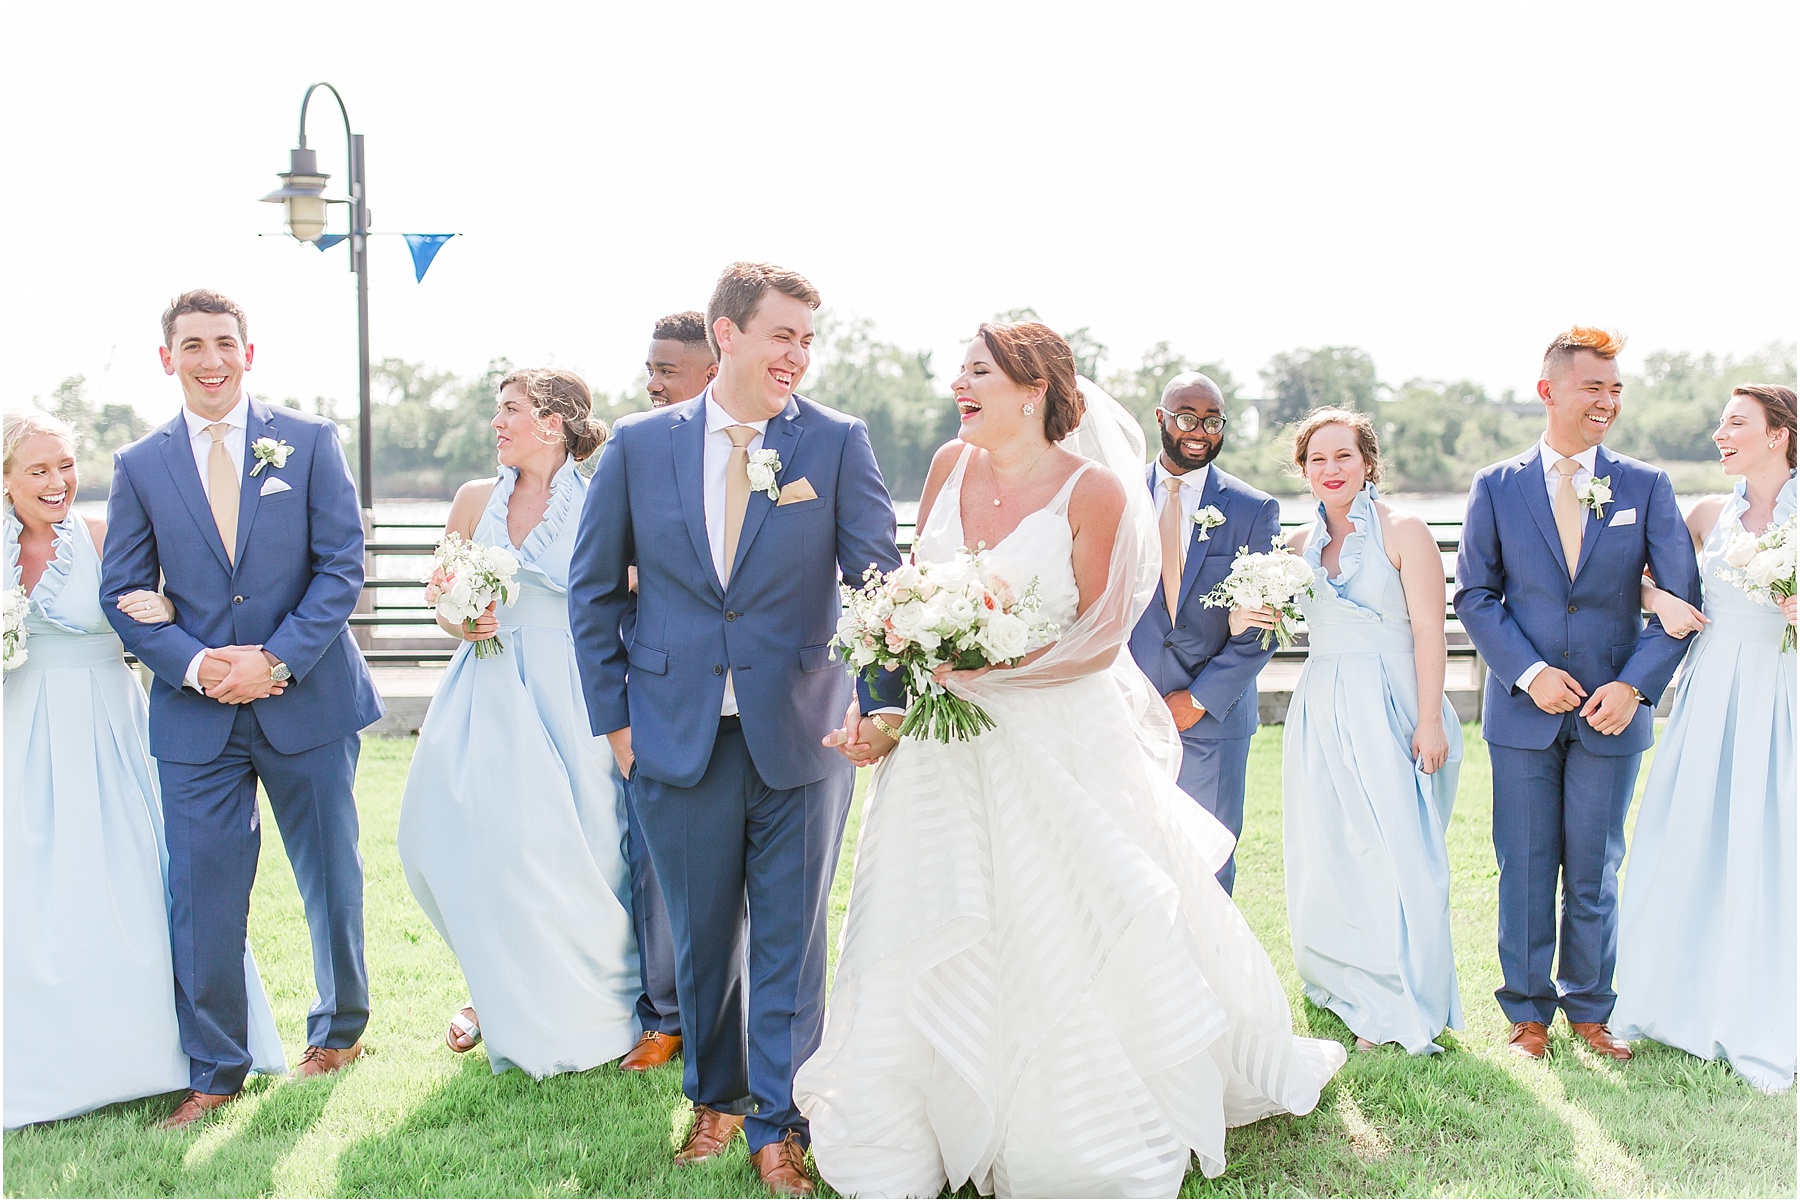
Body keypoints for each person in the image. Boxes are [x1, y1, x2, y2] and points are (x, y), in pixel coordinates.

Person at [794, 322, 1346, 1199]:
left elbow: (1096, 639)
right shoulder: (945, 466)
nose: (958, 386)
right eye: (960, 372)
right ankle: (914, 1125)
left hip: (1052, 739)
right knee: (926, 910)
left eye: (977, 372)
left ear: (1031, 388)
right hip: (939, 749)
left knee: (1054, 916)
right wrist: (902, 686)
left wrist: (991, 667)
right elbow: (906, 594)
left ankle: (1062, 1124)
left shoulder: (1093, 492)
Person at [569, 262, 904, 1197]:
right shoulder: (639, 447)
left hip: (804, 732)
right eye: (781, 335)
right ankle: (713, 1100)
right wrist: (616, 724)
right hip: (671, 733)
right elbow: (594, 594)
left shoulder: (836, 443)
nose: (797, 355)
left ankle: (779, 1120)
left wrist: (878, 704)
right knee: (702, 934)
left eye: (807, 339)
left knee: (792, 937)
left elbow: (880, 585)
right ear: (727, 335)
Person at [101, 290, 383, 1128]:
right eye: (193, 345)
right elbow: (123, 589)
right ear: (168, 359)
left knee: (331, 877)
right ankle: (215, 1070)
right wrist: (194, 665)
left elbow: (342, 565)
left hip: (309, 698)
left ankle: (339, 1031)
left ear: (248, 352)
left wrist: (274, 660)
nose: (210, 359)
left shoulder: (308, 440)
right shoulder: (139, 465)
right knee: (202, 892)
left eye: (224, 343)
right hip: (198, 718)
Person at [4, 409, 282, 1129]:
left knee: (134, 874)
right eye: (38, 469)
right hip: (19, 731)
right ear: (6, 480)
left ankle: (156, 1050)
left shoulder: (101, 539)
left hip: (107, 726)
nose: (59, 481)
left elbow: (181, 603)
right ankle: (44, 1051)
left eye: (66, 465)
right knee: (28, 887)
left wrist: (163, 606)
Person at [1454, 325, 1699, 1062]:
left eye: (1616, 388)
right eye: (1594, 386)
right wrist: (1529, 673)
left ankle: (1591, 1011)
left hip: (1612, 714)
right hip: (1522, 713)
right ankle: (1527, 1016)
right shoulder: (1495, 487)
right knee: (1525, 864)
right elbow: (1475, 594)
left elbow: (1680, 605)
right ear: (1549, 391)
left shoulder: (1647, 485)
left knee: (1594, 867)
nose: (1608, 401)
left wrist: (1632, 687)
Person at [397, 368, 639, 1077]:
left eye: (509, 411)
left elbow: (634, 588)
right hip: (489, 679)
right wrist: (460, 618)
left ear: (553, 423)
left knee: (579, 847)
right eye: (497, 411)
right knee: (450, 838)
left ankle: (589, 1008)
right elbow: (439, 592)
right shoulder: (475, 499)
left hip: (572, 684)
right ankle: (494, 989)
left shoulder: (603, 500)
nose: (496, 424)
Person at [1613, 384, 1796, 1091]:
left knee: (1774, 843)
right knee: (1693, 835)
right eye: (1720, 423)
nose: (1721, 434)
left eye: (1737, 423)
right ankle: (1676, 996)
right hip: (1712, 691)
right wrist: (1660, 600)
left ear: (1779, 434)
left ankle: (1765, 1003)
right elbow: (1630, 581)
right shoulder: (1706, 514)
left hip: (1783, 695)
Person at [1275, 408, 1463, 1054]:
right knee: (1331, 846)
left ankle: (1399, 989)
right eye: (1317, 460)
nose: (1331, 470)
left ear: (1368, 463)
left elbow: (1430, 630)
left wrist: (1431, 719)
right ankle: (1342, 974)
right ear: (1303, 471)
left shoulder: (1404, 531)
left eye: (1343, 457)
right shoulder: (1296, 547)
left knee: (1396, 850)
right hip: (1322, 703)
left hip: (1393, 700)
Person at [1125, 372, 1280, 894]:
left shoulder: (1253, 509)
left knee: (1207, 870)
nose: (1200, 431)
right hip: (1126, 714)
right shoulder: (1117, 496)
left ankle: (1211, 978)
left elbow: (1265, 624)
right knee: (1130, 863)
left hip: (1212, 720)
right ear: (1161, 419)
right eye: (1187, 417)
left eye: (1213, 421)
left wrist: (1198, 698)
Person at [617, 309, 719, 1073]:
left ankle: (729, 1023)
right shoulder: (637, 447)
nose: (652, 383)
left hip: (753, 701)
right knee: (656, 868)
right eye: (649, 369)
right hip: (657, 695)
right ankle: (666, 1014)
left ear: (713, 368)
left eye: (666, 370)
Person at [645, 310, 718, 408]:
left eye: (666, 371)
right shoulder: (630, 423)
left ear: (710, 376)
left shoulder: (740, 422)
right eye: (650, 371)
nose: (650, 386)